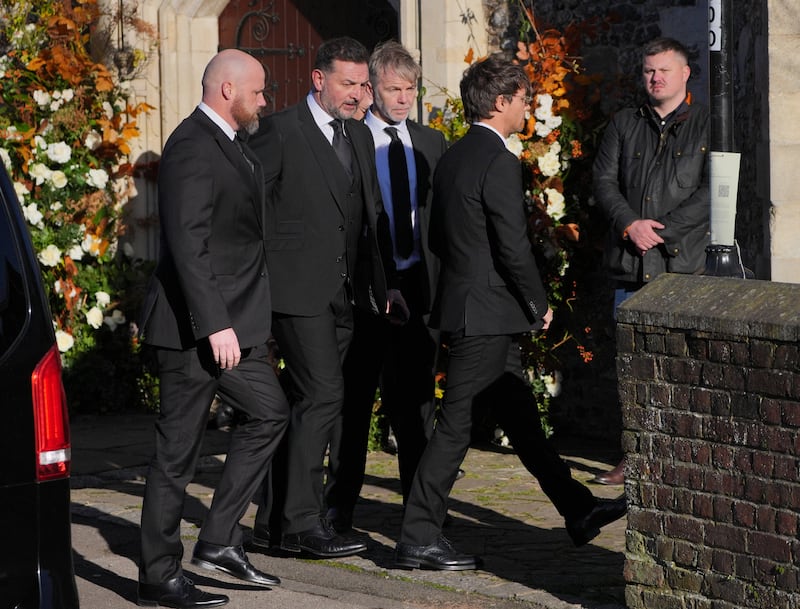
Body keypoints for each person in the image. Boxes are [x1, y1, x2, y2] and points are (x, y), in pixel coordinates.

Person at [393, 54, 627, 571]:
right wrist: (537, 303)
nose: (525, 107)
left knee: (521, 418)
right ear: (501, 102)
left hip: (473, 308)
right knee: (455, 428)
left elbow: (437, 238)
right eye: (521, 98)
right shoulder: (497, 159)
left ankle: (579, 509)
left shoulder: (452, 157)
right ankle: (417, 536)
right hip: (488, 312)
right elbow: (512, 243)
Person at [136, 49, 290, 608]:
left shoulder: (233, 142)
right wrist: (215, 323)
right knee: (176, 453)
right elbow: (188, 246)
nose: (266, 100)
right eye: (259, 90)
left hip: (235, 325)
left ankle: (220, 538)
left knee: (272, 413)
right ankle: (157, 574)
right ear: (228, 89)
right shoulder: (191, 146)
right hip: (193, 330)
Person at [248, 36, 405, 558]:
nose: (358, 93)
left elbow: (371, 218)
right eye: (348, 83)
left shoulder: (358, 136)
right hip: (295, 292)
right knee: (323, 397)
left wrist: (385, 288)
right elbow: (251, 211)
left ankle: (271, 525)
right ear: (319, 80)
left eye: (363, 84)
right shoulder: (279, 131)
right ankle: (302, 523)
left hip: (347, 295)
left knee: (304, 402)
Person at [324, 40, 448, 533]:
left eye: (410, 89)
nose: (402, 98)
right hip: (365, 288)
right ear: (372, 88)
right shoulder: (351, 139)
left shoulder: (430, 142)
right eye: (393, 89)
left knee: (416, 405)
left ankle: (421, 516)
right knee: (354, 403)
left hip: (417, 284)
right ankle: (339, 505)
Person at [591, 37, 709, 485]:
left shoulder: (709, 125)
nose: (655, 77)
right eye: (648, 71)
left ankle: (683, 455)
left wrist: (660, 230)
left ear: (685, 73)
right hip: (630, 263)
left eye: (663, 70)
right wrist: (630, 224)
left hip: (683, 266)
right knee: (630, 365)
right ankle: (634, 454)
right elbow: (603, 181)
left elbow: (711, 192)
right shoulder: (624, 123)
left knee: (684, 363)